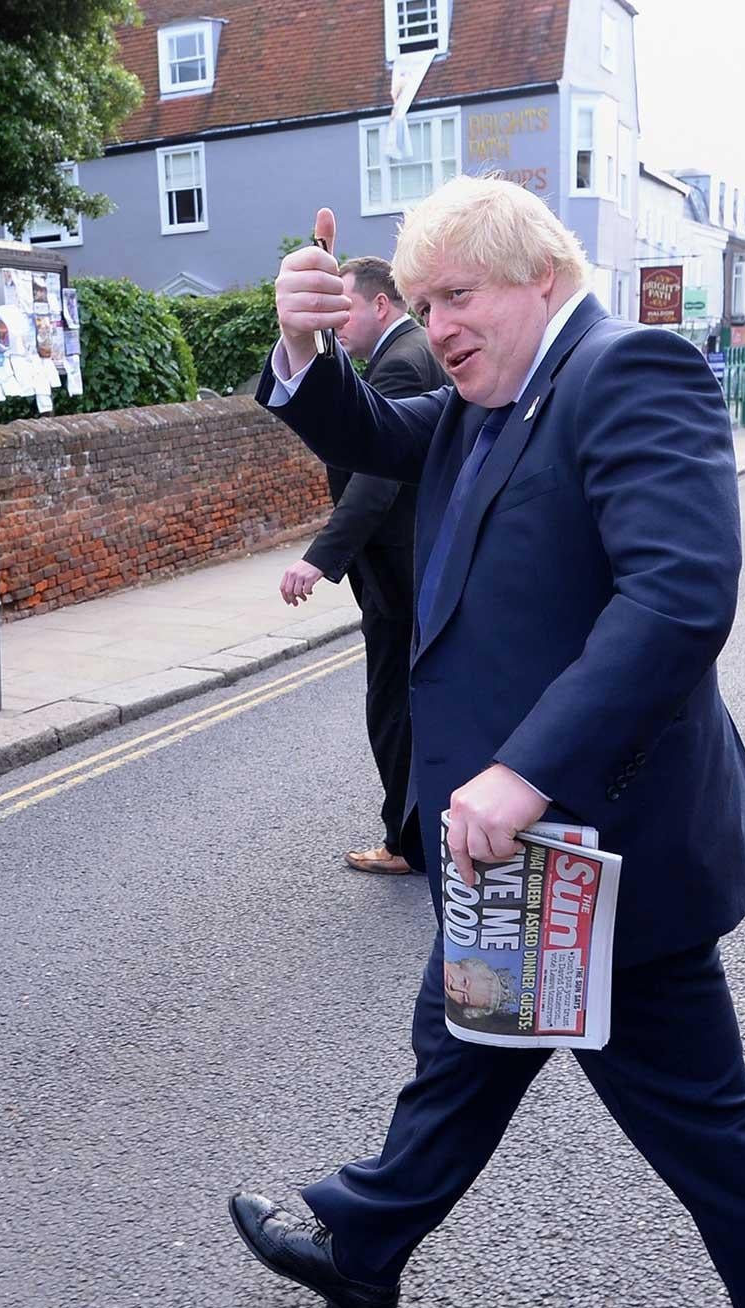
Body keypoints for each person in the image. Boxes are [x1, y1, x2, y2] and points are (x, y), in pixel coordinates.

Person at [228, 180, 745, 1308]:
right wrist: (306, 347)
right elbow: (373, 426)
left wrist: (526, 774)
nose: (436, 328)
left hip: (601, 856)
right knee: (466, 1043)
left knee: (708, 1131)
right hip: (524, 865)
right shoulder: (492, 399)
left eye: (457, 299)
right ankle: (362, 1249)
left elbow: (679, 596)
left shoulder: (625, 371)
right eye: (421, 306)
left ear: (540, 277)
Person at [278, 256, 447, 876]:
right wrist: (303, 340)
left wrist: (321, 558)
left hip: (397, 572)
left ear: (381, 305)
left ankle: (407, 844)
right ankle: (424, 833)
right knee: (412, 703)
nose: (341, 322)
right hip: (415, 567)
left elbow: (374, 474)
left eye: (346, 308)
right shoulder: (410, 353)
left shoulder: (403, 362)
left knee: (393, 709)